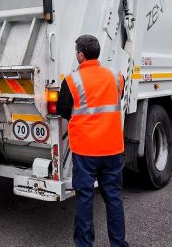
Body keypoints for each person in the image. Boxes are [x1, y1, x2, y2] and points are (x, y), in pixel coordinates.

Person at [57, 35, 128, 247]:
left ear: (80, 55)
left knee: (85, 199)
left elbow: (63, 110)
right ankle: (118, 244)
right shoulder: (117, 77)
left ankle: (85, 244)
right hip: (113, 148)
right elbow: (118, 99)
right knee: (113, 199)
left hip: (85, 150)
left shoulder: (71, 81)